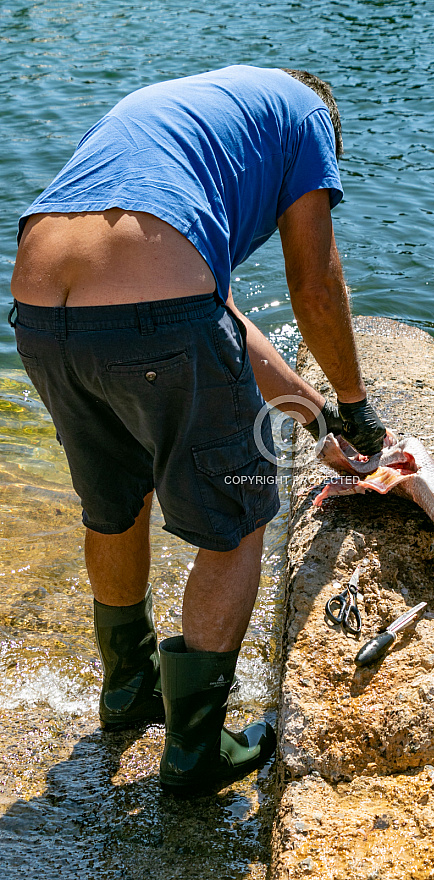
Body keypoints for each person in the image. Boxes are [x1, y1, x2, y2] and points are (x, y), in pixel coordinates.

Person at [10, 65, 386, 795]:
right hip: (153, 294)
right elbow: (313, 283)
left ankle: (127, 691)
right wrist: (357, 403)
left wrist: (317, 423)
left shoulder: (191, 120)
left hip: (38, 300)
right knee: (240, 512)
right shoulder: (308, 115)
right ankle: (195, 752)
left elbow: (219, 325)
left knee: (117, 500)